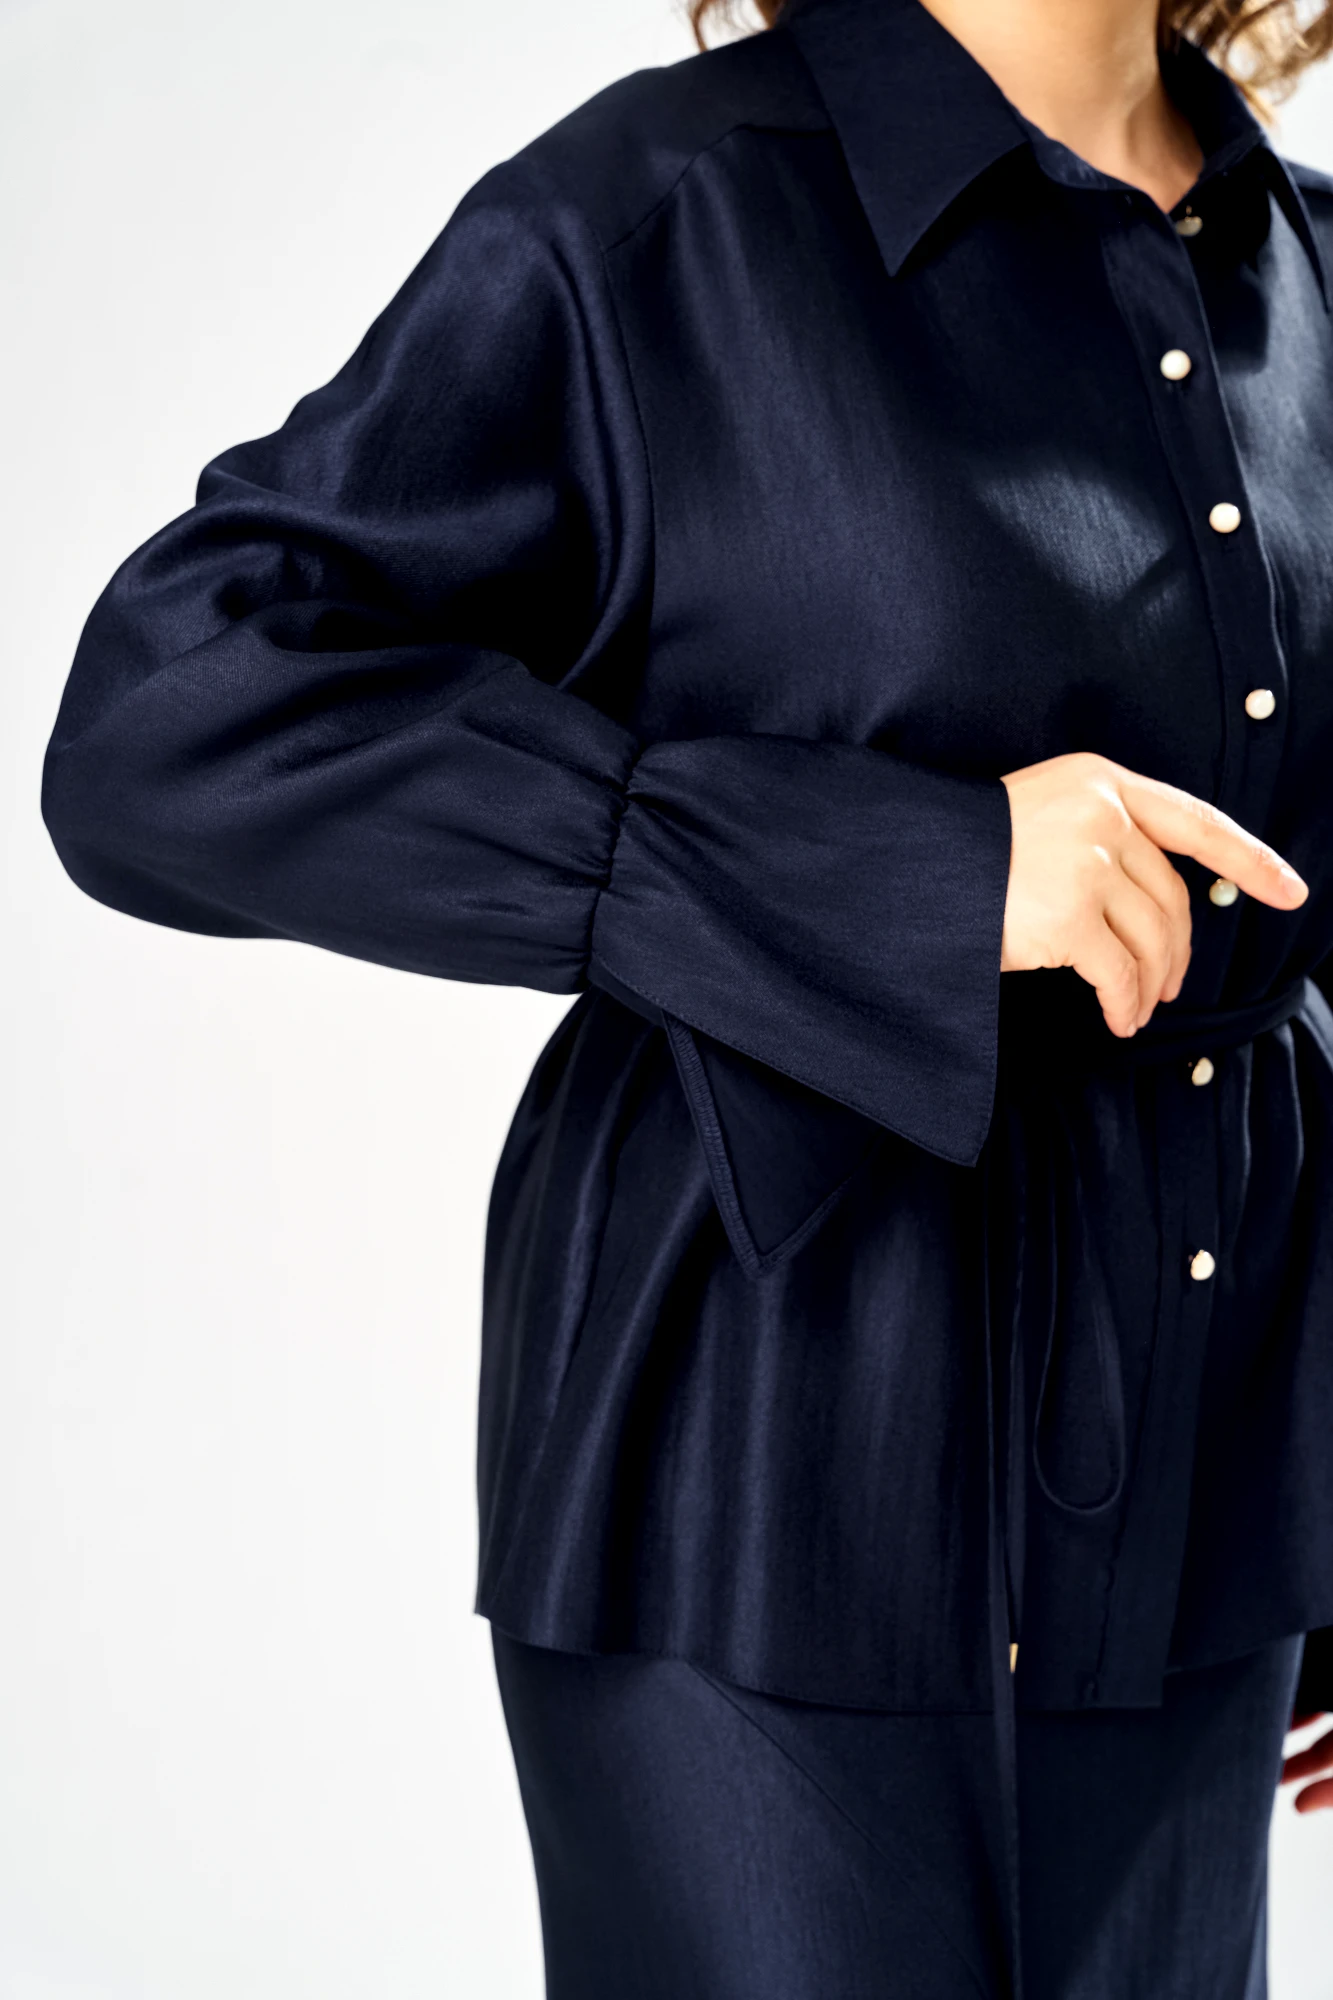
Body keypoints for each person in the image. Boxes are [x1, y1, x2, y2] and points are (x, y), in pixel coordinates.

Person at [40, 0, 1333, 1990]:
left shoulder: (1311, 273)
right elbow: (168, 719)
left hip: (1195, 1515)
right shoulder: (662, 217)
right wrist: (909, 871)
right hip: (761, 1503)